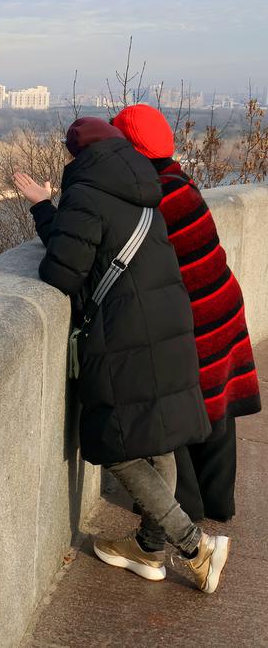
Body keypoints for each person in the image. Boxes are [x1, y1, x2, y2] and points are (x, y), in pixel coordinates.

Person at [13, 117, 231, 592]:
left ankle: (195, 547)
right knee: (157, 439)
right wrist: (47, 210)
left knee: (117, 447)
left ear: (77, 156)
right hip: (169, 327)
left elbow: (62, 274)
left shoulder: (87, 194)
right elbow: (91, 244)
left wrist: (48, 207)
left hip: (128, 337)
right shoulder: (143, 190)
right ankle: (149, 549)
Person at [113, 104, 262, 522]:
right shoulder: (180, 182)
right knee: (218, 405)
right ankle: (220, 503)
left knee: (176, 407)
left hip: (195, 318)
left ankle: (186, 506)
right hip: (222, 304)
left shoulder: (150, 196)